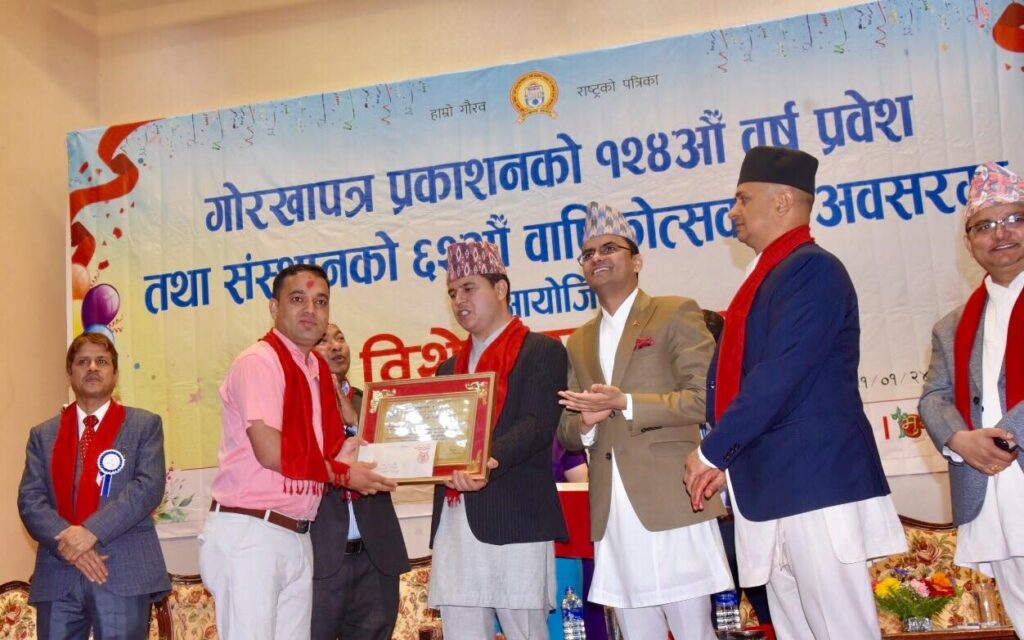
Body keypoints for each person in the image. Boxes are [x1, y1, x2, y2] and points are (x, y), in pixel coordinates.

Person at [684, 145, 905, 639]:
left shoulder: (812, 270)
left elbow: (781, 373)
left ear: (783, 201)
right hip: (771, 485)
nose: (733, 212)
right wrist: (725, 458)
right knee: (795, 628)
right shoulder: (767, 275)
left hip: (813, 482)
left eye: (743, 199)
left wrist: (713, 450)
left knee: (840, 628)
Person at [558, 202, 732, 640]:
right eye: (588, 253)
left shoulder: (675, 312)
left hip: (672, 498)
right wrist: (587, 423)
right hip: (613, 512)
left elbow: (703, 400)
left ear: (637, 261)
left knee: (694, 632)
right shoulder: (578, 340)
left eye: (609, 248)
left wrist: (627, 402)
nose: (597, 258)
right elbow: (567, 430)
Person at [199, 264, 395, 640]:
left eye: (320, 302)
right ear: (274, 307)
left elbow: (324, 453)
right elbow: (270, 451)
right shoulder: (259, 362)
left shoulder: (314, 369)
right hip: (252, 533)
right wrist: (343, 473)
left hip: (298, 532)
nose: (310, 310)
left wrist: (351, 455)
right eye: (298, 299)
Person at [428, 240, 569, 640]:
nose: (459, 301)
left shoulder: (541, 351)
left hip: (516, 517)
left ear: (501, 288)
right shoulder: (448, 369)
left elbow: (537, 424)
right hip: (456, 520)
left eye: (468, 288)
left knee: (526, 631)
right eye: (452, 293)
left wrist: (486, 462)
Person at [919, 161, 1024, 634]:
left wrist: (1004, 438)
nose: (1000, 234)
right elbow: (933, 397)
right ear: (968, 243)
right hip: (990, 493)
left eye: (1014, 219)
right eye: (984, 226)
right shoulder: (953, 326)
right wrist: (959, 439)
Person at [18, 332, 170, 638]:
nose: (92, 367)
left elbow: (147, 487)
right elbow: (30, 500)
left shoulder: (144, 425)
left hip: (123, 570)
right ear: (69, 373)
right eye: (82, 362)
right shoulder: (43, 435)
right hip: (58, 573)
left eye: (101, 361)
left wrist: (90, 533)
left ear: (115, 373)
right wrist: (71, 545)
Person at [311, 322, 411, 640]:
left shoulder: (373, 405)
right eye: (323, 341)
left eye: (340, 338)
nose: (335, 346)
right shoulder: (298, 409)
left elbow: (398, 462)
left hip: (376, 558)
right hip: (321, 559)